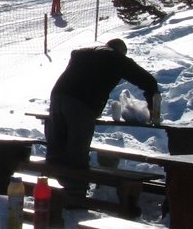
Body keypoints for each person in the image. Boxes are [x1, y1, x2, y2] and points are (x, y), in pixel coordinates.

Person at [45, 40, 158, 203]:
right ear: (120, 51)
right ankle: (75, 197)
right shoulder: (115, 58)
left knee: (57, 147)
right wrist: (154, 108)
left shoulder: (82, 53)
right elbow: (148, 81)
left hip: (58, 97)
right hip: (81, 103)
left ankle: (53, 193)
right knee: (77, 150)